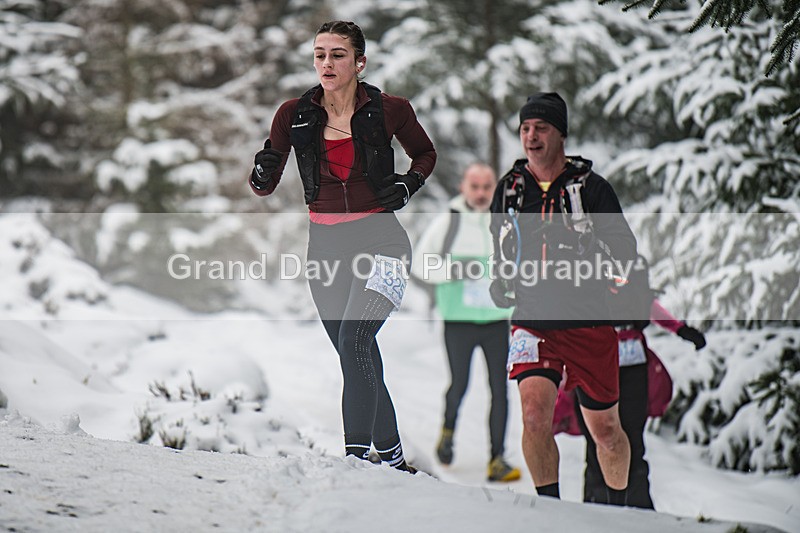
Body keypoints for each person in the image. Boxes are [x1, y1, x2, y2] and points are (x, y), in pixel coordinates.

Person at [248, 20, 436, 472]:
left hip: (385, 242)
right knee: (357, 353)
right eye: (319, 54)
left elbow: (425, 154)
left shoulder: (391, 109)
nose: (326, 63)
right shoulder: (294, 114)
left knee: (355, 341)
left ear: (359, 62)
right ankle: (392, 462)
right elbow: (264, 185)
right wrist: (261, 171)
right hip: (326, 249)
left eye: (336, 54)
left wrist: (409, 185)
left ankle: (354, 465)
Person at [489, 92, 638, 504]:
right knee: (534, 415)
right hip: (533, 321)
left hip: (589, 322)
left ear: (561, 134)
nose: (531, 136)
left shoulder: (590, 188)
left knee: (606, 431)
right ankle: (548, 512)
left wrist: (592, 256)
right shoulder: (511, 190)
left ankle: (619, 511)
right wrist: (500, 279)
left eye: (541, 128)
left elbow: (625, 250)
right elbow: (501, 247)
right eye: (525, 128)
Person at [565, 254, 707, 509]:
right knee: (597, 438)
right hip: (593, 366)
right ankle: (597, 505)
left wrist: (681, 329)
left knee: (631, 438)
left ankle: (637, 507)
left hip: (630, 371)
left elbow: (648, 304)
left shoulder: (630, 269)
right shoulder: (578, 271)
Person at [410, 163, 521, 482]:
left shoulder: (504, 222)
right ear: (464, 187)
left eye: (487, 186)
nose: (482, 193)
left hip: (497, 320)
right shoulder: (449, 222)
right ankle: (447, 433)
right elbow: (420, 266)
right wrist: (456, 271)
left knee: (499, 389)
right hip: (458, 320)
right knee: (459, 384)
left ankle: (497, 459)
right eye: (475, 186)